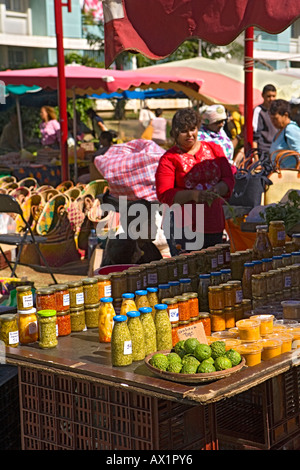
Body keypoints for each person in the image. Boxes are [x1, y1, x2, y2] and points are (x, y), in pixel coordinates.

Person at [155, 108, 235, 253]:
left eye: (193, 129)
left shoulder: (214, 150)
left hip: (214, 222)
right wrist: (193, 195)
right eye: (184, 131)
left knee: (215, 268)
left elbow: (228, 179)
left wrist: (218, 189)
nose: (190, 134)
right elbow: (164, 194)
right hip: (184, 227)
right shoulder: (169, 159)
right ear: (174, 133)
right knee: (188, 270)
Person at [269, 99, 300, 168]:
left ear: (285, 115)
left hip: (290, 176)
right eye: (271, 119)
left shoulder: (291, 129)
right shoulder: (280, 131)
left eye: (275, 119)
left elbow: (299, 152)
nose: (273, 122)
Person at [252, 84, 277, 154]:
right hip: (263, 153)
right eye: (268, 96)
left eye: (273, 96)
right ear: (263, 95)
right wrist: (256, 159)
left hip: (276, 152)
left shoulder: (276, 111)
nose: (271, 99)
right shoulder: (258, 111)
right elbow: (255, 137)